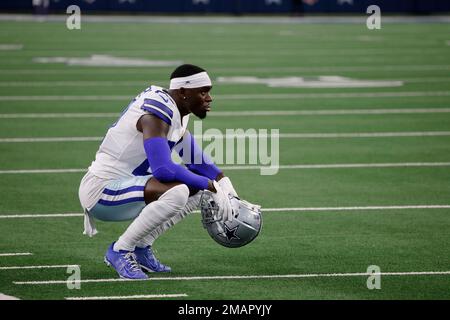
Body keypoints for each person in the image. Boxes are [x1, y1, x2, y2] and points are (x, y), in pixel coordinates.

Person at [78, 64, 238, 279]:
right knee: (181, 190)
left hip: (127, 187)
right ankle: (120, 251)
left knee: (200, 190)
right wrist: (210, 184)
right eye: (203, 91)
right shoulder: (156, 112)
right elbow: (163, 169)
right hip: (101, 191)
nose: (209, 98)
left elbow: (197, 161)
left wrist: (225, 187)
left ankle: (141, 247)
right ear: (183, 92)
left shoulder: (178, 111)